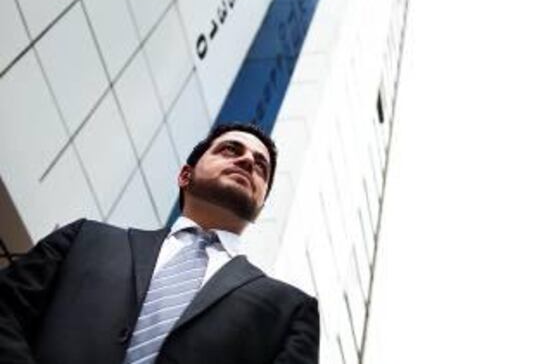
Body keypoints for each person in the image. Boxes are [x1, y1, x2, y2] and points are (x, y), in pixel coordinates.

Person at [0, 122, 319, 364]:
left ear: (260, 207)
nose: (248, 161)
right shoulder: (83, 239)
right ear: (185, 175)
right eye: (230, 150)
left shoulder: (290, 311)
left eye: (260, 166)